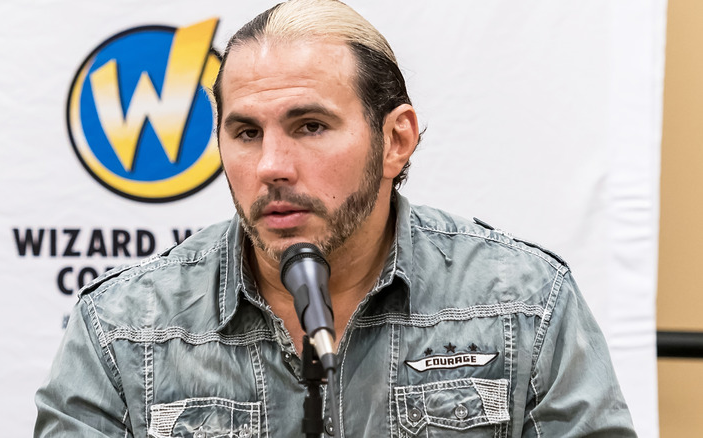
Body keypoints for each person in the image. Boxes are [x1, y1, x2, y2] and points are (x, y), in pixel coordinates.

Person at [35, 0, 637, 436]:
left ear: (396, 139)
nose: (272, 165)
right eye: (246, 133)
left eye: (311, 126)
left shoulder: (524, 302)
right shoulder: (122, 327)